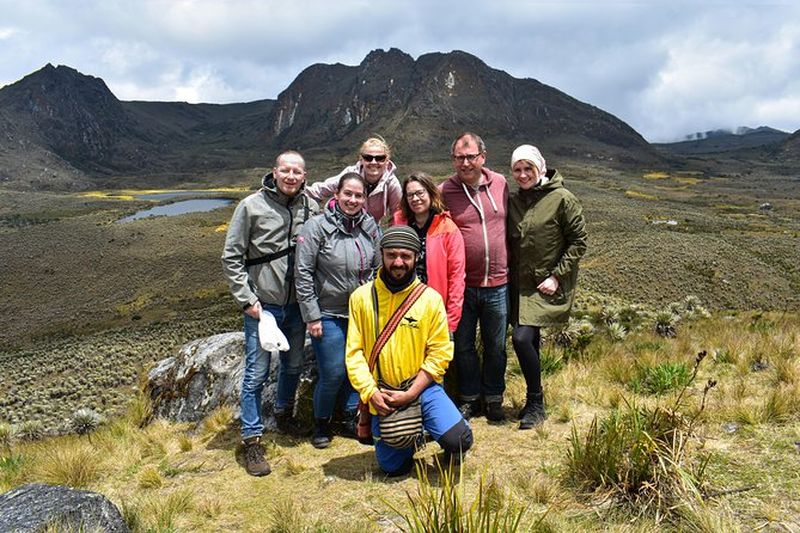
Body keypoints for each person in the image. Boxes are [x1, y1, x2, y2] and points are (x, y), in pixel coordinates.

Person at [346, 226, 473, 476]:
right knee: (393, 468)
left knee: (459, 441)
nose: (398, 262)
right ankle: (412, 437)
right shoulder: (360, 298)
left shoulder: (430, 299)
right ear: (381, 254)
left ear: (417, 257)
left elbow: (440, 353)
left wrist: (411, 392)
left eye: (406, 255)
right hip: (382, 394)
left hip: (422, 387)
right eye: (391, 255)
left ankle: (438, 426)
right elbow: (354, 353)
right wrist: (371, 393)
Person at [221, 150, 318, 476]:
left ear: (305, 176)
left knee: (292, 365)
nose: (291, 176)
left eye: (298, 172)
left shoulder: (310, 207)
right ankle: (252, 440)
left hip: (297, 306)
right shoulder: (250, 207)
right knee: (256, 374)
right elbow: (231, 257)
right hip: (263, 307)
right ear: (274, 172)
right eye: (286, 170)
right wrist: (247, 300)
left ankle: (284, 415)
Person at [295, 172, 381, 449]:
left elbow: (379, 268)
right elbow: (304, 272)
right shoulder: (316, 227)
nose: (353, 200)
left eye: (358, 195)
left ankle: (349, 417)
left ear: (364, 199)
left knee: (358, 369)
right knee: (333, 371)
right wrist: (312, 315)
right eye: (348, 194)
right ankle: (321, 423)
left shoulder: (371, 227)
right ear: (337, 195)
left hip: (361, 312)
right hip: (328, 312)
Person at [507, 145, 587, 429]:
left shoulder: (563, 199)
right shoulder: (514, 201)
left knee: (521, 338)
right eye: (517, 169)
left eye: (528, 168)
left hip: (544, 284)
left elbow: (578, 241)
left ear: (541, 168)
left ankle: (536, 402)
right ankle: (533, 403)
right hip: (517, 286)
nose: (523, 174)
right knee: (529, 340)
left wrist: (557, 276)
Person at [440, 132, 509, 422]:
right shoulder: (445, 190)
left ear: (483, 156)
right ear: (453, 160)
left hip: (499, 283)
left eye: (470, 157)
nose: (465, 163)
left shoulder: (501, 183)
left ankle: (493, 397)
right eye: (459, 158)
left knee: (496, 346)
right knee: (464, 345)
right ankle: (469, 397)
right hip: (463, 285)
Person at [392, 172, 466, 334]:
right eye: (410, 195)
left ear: (431, 193)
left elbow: (456, 277)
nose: (415, 199)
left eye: (420, 193)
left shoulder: (448, 228)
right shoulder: (399, 224)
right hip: (402, 305)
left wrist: (451, 321)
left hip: (434, 308)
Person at [305, 137, 401, 224]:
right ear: (361, 159)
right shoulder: (349, 174)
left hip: (370, 230)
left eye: (380, 158)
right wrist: (295, 191)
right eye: (368, 158)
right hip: (339, 223)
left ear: (387, 160)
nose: (373, 162)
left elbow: (397, 215)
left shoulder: (392, 184)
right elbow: (321, 190)